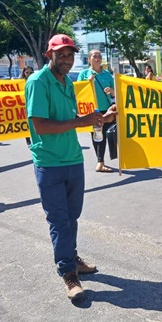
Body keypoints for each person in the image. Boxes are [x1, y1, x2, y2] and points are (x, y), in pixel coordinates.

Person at [25, 34, 116, 300]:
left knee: (72, 217)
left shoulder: (67, 82)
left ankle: (71, 257)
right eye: (61, 54)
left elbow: (71, 119)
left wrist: (100, 118)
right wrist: (81, 122)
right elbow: (40, 124)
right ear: (49, 54)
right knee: (58, 219)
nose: (66, 59)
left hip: (73, 159)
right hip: (49, 162)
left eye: (70, 54)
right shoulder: (38, 82)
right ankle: (68, 273)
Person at [77, 50, 115, 173]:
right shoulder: (84, 74)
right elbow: (78, 92)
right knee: (98, 134)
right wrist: (88, 82)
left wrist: (111, 91)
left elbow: (116, 92)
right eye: (94, 56)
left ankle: (101, 160)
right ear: (89, 59)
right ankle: (100, 162)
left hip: (106, 108)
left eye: (99, 56)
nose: (97, 58)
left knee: (105, 134)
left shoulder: (107, 74)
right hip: (92, 109)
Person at [19, 66, 35, 145]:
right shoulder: (21, 83)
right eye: (27, 72)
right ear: (24, 73)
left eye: (31, 72)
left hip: (34, 104)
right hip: (24, 105)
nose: (29, 74)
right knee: (26, 123)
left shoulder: (36, 81)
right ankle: (28, 140)